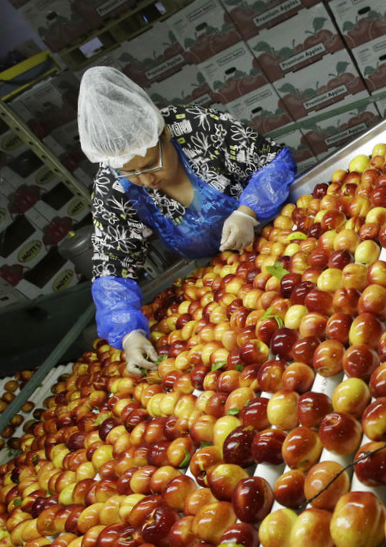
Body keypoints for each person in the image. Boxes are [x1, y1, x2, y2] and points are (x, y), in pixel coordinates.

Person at [78, 67, 297, 376]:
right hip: (225, 285)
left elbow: (273, 161)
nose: (145, 179)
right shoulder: (112, 186)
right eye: (129, 173)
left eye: (149, 164)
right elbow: (113, 264)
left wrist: (248, 211)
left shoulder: (195, 127)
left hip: (284, 240)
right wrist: (128, 333)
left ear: (164, 134)